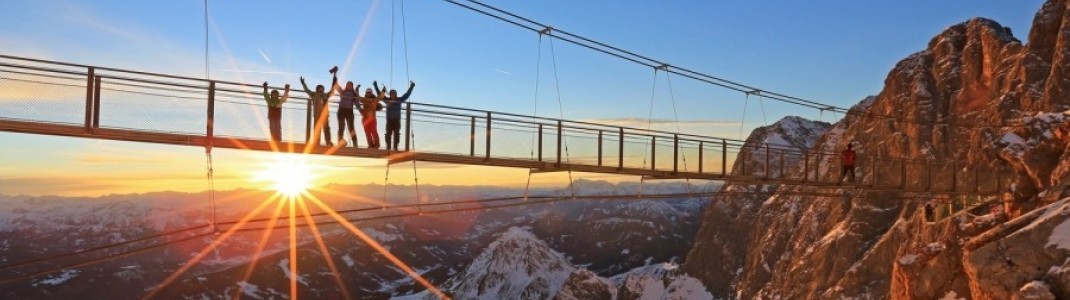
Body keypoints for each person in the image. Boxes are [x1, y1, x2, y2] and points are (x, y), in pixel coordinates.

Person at [299, 67, 339, 147]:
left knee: (326, 128)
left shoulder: (326, 95)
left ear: (323, 89)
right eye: (319, 88)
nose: (321, 89)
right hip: (317, 114)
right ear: (317, 89)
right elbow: (307, 90)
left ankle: (328, 142)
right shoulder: (314, 94)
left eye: (322, 88)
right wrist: (303, 84)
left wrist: (335, 76)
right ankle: (317, 141)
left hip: (324, 115)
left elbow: (333, 89)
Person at [376, 80, 415, 151]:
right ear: (390, 94)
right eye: (391, 94)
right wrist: (375, 86)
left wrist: (412, 86)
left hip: (397, 120)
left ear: (396, 94)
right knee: (388, 133)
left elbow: (407, 94)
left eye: (394, 94)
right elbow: (380, 95)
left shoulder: (399, 100)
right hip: (389, 120)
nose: (393, 95)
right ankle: (388, 146)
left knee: (397, 133)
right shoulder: (387, 100)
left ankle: (395, 147)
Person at [332, 73, 360, 147]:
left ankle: (355, 143)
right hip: (341, 110)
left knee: (351, 127)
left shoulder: (353, 95)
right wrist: (335, 74)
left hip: (349, 111)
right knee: (341, 126)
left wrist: (361, 111)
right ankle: (340, 141)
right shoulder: (342, 92)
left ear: (352, 87)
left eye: (350, 85)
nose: (349, 86)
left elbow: (357, 103)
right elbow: (336, 85)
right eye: (348, 85)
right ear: (346, 86)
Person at [358, 83, 386, 148]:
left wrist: (383, 90)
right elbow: (358, 97)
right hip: (365, 118)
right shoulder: (364, 99)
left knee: (373, 131)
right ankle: (370, 144)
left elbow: (380, 97)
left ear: (371, 93)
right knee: (367, 132)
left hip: (372, 118)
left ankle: (377, 144)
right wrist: (357, 89)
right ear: (366, 93)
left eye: (369, 92)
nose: (368, 93)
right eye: (367, 92)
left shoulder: (374, 100)